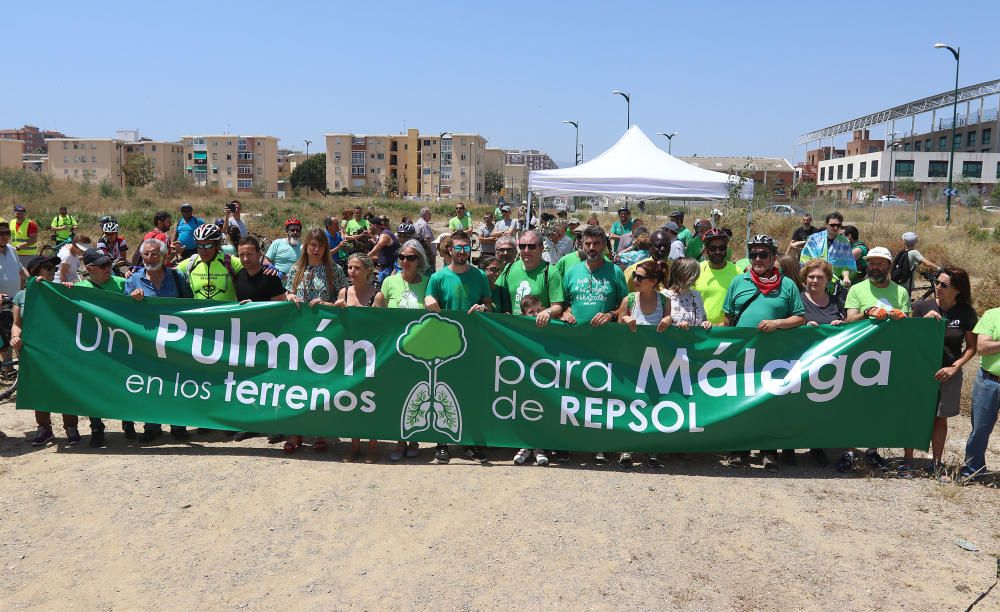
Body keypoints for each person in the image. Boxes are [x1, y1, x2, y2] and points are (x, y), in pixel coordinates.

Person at [722, 234, 805, 472]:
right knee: (740, 401)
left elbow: (800, 317)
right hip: (742, 355)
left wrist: (777, 323)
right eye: (754, 254)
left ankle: (768, 451)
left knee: (769, 403)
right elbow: (728, 318)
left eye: (763, 254)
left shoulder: (787, 285)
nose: (758, 258)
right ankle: (739, 450)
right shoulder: (739, 282)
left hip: (774, 356)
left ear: (773, 257)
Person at [838, 246, 910, 473]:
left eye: (880, 263)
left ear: (888, 266)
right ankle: (848, 451)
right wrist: (867, 311)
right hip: (859, 356)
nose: (875, 267)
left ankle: (872, 450)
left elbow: (909, 324)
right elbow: (849, 320)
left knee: (878, 406)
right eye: (871, 263)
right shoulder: (857, 289)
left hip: (889, 358)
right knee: (852, 405)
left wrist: (903, 318)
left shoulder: (900, 293)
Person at [425, 230, 493, 464]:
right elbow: (428, 300)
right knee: (441, 391)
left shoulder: (480, 276)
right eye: (458, 248)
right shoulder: (438, 278)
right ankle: (441, 442)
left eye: (466, 248)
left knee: (469, 393)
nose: (462, 252)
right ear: (450, 249)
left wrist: (484, 309)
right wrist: (427, 300)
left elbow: (488, 305)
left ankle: (468, 441)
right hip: (443, 344)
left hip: (473, 343)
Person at [561, 225, 627, 466]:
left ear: (605, 246)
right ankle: (569, 443)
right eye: (587, 243)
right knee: (572, 394)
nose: (592, 248)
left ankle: (600, 445)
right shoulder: (571, 272)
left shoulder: (615, 272)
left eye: (597, 244)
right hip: (575, 345)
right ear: (581, 245)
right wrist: (566, 312)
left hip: (605, 345)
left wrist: (610, 314)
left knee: (601, 395)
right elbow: (564, 303)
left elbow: (625, 303)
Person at [907, 267, 977, 479]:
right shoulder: (921, 306)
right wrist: (922, 324)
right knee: (915, 415)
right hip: (921, 371)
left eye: (943, 285)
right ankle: (908, 462)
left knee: (940, 418)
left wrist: (955, 367)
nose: (937, 287)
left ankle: (936, 464)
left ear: (957, 289)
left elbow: (972, 347)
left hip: (948, 373)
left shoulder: (966, 313)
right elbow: (909, 339)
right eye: (936, 282)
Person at [281, 230, 347, 455]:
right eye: (312, 244)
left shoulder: (334, 270)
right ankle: (296, 431)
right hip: (298, 333)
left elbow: (341, 298)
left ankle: (320, 431)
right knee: (297, 382)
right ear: (306, 246)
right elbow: (288, 292)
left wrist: (328, 303)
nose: (316, 249)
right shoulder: (296, 269)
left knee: (320, 383)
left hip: (324, 333)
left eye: (320, 245)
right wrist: (290, 297)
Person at [12, 256, 83, 446]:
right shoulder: (21, 296)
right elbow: (17, 324)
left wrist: (69, 292)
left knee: (64, 387)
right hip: (35, 351)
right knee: (40, 389)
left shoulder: (62, 291)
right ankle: (44, 429)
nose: (53, 270)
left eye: (54, 267)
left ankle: (71, 427)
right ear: (35, 271)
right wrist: (15, 337)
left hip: (60, 350)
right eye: (47, 267)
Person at [73, 248, 135, 445]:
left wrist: (137, 294)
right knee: (94, 388)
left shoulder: (122, 283)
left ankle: (129, 422)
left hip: (120, 345)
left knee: (125, 385)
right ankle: (97, 428)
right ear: (89, 268)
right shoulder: (79, 288)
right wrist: (40, 284)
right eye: (103, 265)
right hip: (95, 347)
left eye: (109, 264)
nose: (109, 268)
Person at [614, 258, 672, 469]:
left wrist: (669, 320)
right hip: (631, 361)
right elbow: (620, 317)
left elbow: (668, 319)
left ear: (653, 281)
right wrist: (625, 319)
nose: (635, 280)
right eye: (634, 276)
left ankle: (651, 449)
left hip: (656, 362)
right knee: (629, 403)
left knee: (654, 404)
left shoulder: (665, 300)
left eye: (640, 277)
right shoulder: (629, 299)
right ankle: (626, 448)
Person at [373, 240, 428, 461]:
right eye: (402, 257)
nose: (405, 261)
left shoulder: (428, 283)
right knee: (396, 396)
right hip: (394, 351)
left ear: (420, 261)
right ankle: (399, 440)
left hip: (420, 351)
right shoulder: (388, 282)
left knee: (416, 395)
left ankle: (414, 438)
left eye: (411, 258)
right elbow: (378, 315)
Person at [795, 258, 847, 467]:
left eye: (819, 277)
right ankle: (789, 448)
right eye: (811, 277)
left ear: (827, 280)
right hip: (798, 362)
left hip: (828, 367)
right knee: (796, 406)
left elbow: (849, 326)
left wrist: (841, 325)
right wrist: (803, 325)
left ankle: (816, 447)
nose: (815, 281)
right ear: (804, 278)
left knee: (821, 407)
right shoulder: (797, 299)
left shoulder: (836, 303)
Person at [332, 253, 381, 462]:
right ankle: (354, 445)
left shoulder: (377, 295)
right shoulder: (343, 292)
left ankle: (372, 445)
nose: (352, 272)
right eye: (350, 267)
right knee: (350, 400)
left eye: (357, 268)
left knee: (370, 400)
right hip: (348, 353)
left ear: (368, 270)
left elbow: (381, 326)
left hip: (370, 354)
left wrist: (359, 311)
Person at [961, 304, 1000, 481]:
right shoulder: (992, 314)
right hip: (989, 381)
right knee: (980, 429)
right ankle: (973, 470)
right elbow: (982, 347)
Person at [495, 230, 564, 324]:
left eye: (531, 246)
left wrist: (547, 312)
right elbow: (495, 292)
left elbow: (558, 306)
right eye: (522, 246)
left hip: (537, 330)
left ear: (541, 248)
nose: (526, 250)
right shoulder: (510, 268)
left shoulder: (551, 273)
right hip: (514, 329)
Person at [177, 224, 243, 302]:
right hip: (200, 313)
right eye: (199, 246)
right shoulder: (191, 263)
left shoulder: (230, 262)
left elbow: (257, 272)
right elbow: (164, 274)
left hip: (226, 313)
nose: (203, 251)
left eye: (208, 246)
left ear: (217, 245)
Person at [799, 211, 856, 290]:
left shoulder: (844, 242)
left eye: (838, 225)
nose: (835, 228)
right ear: (826, 224)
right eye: (832, 225)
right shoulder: (814, 239)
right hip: (814, 281)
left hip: (833, 286)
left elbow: (847, 265)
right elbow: (804, 259)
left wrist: (846, 277)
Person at [693, 229, 739, 325]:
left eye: (721, 248)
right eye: (713, 248)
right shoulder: (696, 270)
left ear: (726, 249)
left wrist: (725, 323)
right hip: (700, 328)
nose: (718, 252)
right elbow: (689, 299)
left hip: (725, 330)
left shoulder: (737, 271)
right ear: (706, 250)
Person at [664, 258, 711, 331]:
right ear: (681, 274)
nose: (695, 278)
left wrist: (705, 323)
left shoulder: (696, 295)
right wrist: (677, 325)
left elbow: (703, 319)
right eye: (692, 274)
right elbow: (659, 324)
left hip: (695, 340)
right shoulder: (665, 295)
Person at [367, 215, 399, 285]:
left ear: (375, 226)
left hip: (389, 269)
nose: (369, 227)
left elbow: (378, 246)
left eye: (370, 225)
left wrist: (365, 257)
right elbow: (381, 255)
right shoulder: (383, 234)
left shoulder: (385, 235)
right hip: (385, 269)